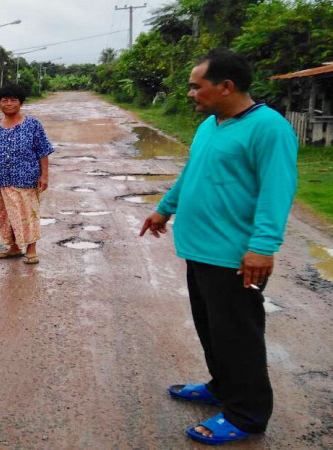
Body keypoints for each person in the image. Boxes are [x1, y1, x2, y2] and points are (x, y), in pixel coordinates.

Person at [139, 49, 298, 445]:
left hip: (235, 255)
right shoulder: (211, 124)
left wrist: (262, 247)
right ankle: (223, 387)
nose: (191, 93)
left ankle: (247, 415)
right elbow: (193, 170)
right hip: (199, 249)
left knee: (238, 336)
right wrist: (164, 210)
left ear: (226, 86)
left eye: (197, 86)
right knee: (212, 329)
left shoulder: (269, 128)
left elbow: (277, 190)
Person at [0, 84, 54, 265]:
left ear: (21, 103)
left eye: (13, 100)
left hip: (26, 178)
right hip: (1, 179)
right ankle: (14, 247)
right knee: (7, 215)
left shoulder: (33, 124)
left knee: (27, 214)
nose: (9, 104)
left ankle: (31, 249)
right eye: (5, 100)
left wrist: (44, 176)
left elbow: (43, 151)